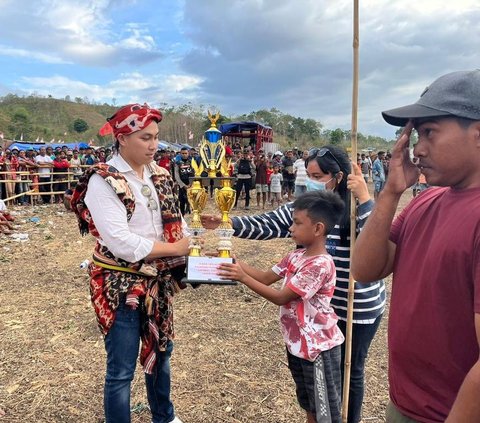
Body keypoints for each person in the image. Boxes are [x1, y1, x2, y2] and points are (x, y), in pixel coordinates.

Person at [201, 145, 385, 423]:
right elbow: (267, 223)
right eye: (309, 173)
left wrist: (365, 198)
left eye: (318, 175)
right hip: (316, 312)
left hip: (355, 305)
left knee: (351, 370)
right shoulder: (306, 208)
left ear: (338, 175)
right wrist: (227, 222)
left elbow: (377, 242)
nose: (312, 180)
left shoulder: (357, 207)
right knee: (320, 385)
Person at [351, 69, 480, 423]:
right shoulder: (426, 201)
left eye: (430, 132)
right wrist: (392, 192)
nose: (417, 148)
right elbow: (366, 269)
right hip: (405, 405)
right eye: (416, 134)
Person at [71, 103, 190, 423]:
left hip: (157, 280)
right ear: (122, 138)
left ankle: (164, 417)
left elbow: (176, 219)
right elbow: (119, 242)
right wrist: (173, 248)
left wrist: (189, 241)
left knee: (161, 355)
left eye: (156, 137)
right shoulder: (103, 179)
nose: (153, 145)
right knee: (121, 368)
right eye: (145, 138)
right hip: (119, 282)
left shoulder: (161, 175)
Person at [218, 190, 345, 423]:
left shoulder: (320, 264)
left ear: (318, 229)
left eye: (297, 223)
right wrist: (233, 262)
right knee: (309, 402)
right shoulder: (295, 256)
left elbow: (281, 297)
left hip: (317, 348)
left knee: (325, 410)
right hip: (298, 346)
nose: (291, 229)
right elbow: (266, 277)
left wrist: (242, 277)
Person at [174, 147, 194, 216]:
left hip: (191, 184)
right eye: (182, 153)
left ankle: (192, 215)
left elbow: (196, 173)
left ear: (188, 153)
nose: (184, 155)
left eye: (186, 153)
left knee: (192, 201)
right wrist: (183, 185)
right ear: (180, 153)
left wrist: (191, 184)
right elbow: (176, 175)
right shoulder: (177, 163)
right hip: (182, 185)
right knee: (182, 201)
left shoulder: (192, 162)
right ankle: (182, 216)